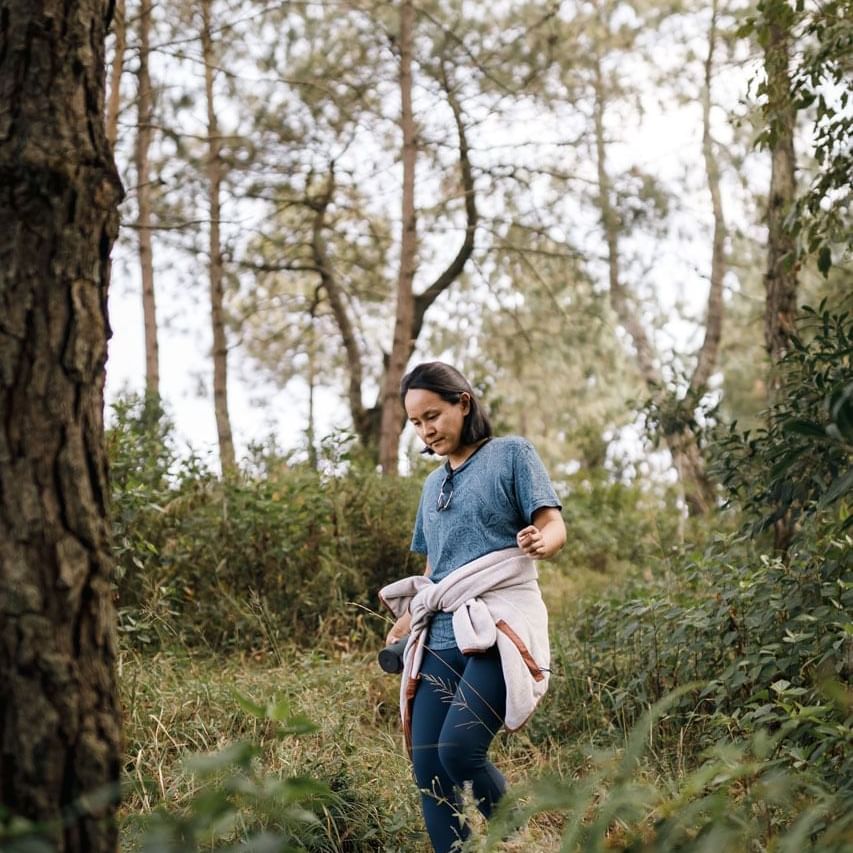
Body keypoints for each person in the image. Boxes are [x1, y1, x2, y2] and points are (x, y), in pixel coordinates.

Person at [380, 361, 566, 853]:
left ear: (463, 402)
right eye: (416, 423)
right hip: (439, 634)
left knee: (459, 751)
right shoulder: (430, 485)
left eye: (433, 416)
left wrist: (541, 541)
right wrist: (409, 617)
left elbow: (554, 524)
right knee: (427, 767)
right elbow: (438, 570)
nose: (426, 430)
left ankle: (517, 842)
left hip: (495, 627)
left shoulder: (510, 455)